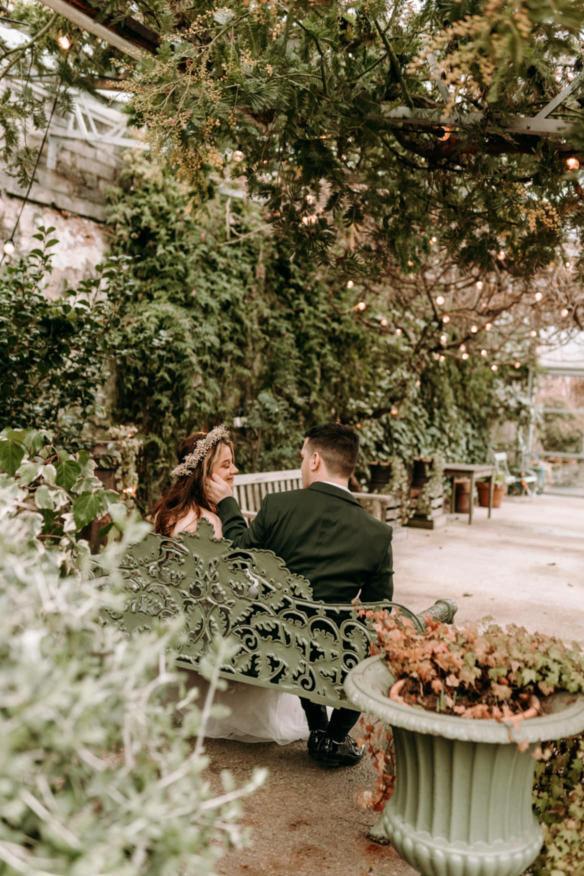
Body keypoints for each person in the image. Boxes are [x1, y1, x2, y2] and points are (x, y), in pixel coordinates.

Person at [206, 423, 394, 767]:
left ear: (315, 460)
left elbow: (238, 557)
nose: (302, 463)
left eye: (303, 456)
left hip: (274, 642)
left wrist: (228, 505)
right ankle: (334, 736)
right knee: (362, 641)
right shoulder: (377, 534)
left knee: (301, 629)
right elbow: (379, 611)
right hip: (334, 653)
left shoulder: (279, 506)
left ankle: (321, 731)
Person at [153, 426, 309, 745]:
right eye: (226, 465)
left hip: (180, 628)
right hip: (211, 636)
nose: (235, 470)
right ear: (203, 476)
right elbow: (231, 584)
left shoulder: (166, 513)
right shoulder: (208, 523)